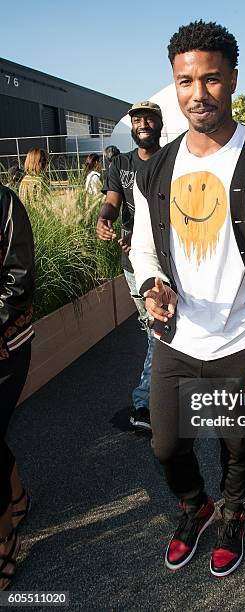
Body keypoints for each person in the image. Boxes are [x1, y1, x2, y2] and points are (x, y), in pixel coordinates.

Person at [130, 20, 245, 577]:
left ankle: (233, 513)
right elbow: (143, 248)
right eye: (185, 81)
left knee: (237, 443)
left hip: (241, 339)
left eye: (210, 79)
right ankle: (195, 506)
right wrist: (150, 285)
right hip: (179, 339)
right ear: (174, 84)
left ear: (232, 80)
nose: (197, 94)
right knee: (165, 445)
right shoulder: (156, 166)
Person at [96, 101, 163, 431]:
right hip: (134, 262)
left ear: (159, 124)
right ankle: (146, 403)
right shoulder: (120, 163)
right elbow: (112, 200)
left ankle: (149, 401)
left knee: (160, 329)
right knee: (156, 328)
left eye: (149, 119)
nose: (143, 124)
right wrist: (104, 218)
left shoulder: (173, 161)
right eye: (137, 120)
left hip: (171, 260)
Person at [0, 184, 35, 591]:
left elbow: (19, 277)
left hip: (6, 343)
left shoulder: (4, 202)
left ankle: (4, 538)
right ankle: (18, 498)